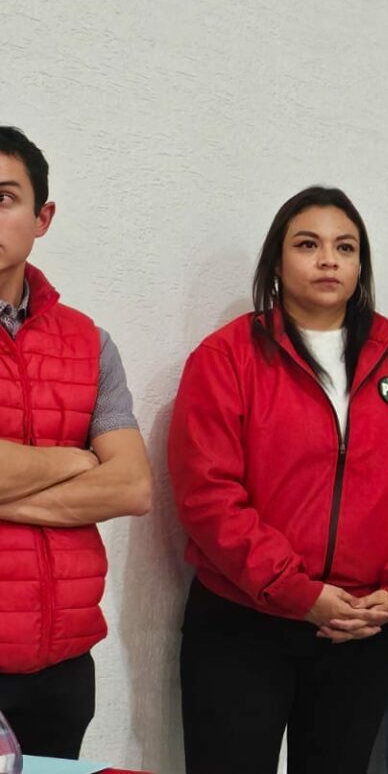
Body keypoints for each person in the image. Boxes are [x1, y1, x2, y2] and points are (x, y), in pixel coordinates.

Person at [168, 186, 388, 774]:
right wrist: (297, 593)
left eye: (345, 248)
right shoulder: (227, 358)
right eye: (308, 245)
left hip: (360, 625)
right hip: (244, 622)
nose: (329, 260)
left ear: (360, 267)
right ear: (277, 263)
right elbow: (209, 495)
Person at [0, 126, 151, 759]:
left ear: (43, 218)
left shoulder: (90, 343)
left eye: (4, 197)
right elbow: (104, 473)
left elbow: (133, 486)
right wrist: (76, 459)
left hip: (62, 668)